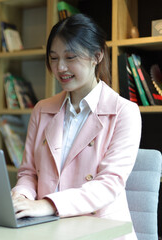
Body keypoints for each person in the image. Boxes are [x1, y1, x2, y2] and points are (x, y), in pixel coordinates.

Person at [11, 13, 141, 240]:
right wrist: (21, 198)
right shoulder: (42, 109)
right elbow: (28, 173)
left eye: (70, 57)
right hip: (47, 229)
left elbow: (109, 184)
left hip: (101, 231)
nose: (60, 67)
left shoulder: (124, 112)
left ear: (97, 56)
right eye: (53, 58)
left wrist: (48, 205)